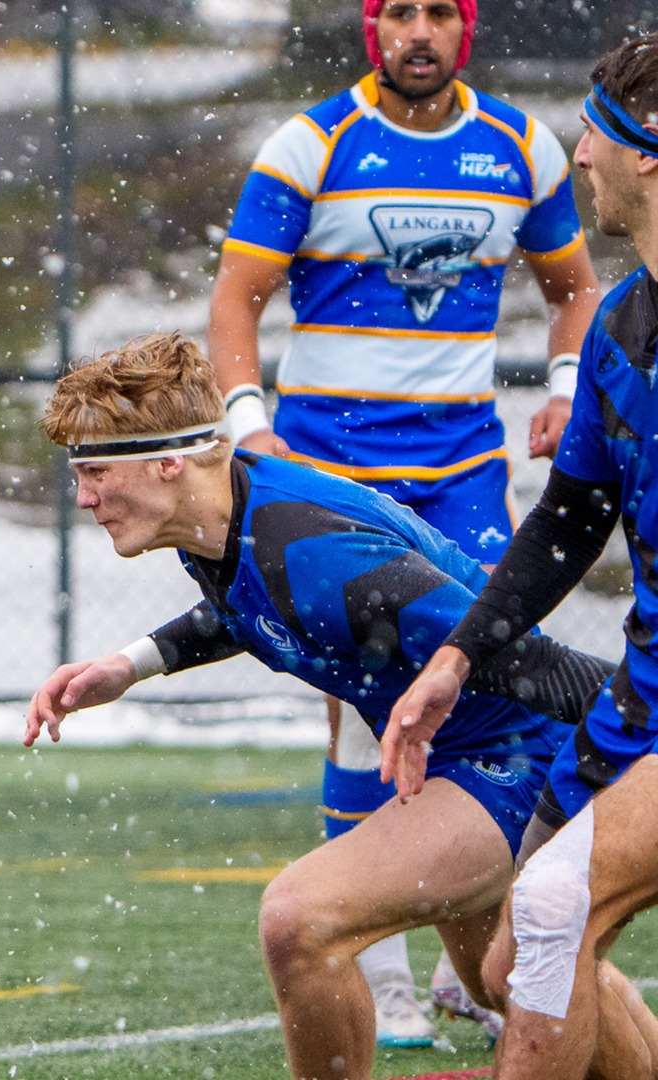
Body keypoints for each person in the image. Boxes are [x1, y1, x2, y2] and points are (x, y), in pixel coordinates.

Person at [27, 332, 611, 1080]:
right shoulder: (219, 513)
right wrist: (131, 665)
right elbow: (249, 606)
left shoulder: (318, 553)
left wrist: (643, 720)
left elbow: (531, 663)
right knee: (516, 982)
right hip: (455, 761)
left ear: (168, 461)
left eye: (96, 472)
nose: (84, 497)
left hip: (516, 759)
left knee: (300, 920)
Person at [206, 0, 600, 1040]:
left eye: (438, 13)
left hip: (461, 474)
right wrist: (249, 427)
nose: (418, 33)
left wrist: (566, 385)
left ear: (465, 29)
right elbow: (237, 298)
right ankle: (378, 966)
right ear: (371, 27)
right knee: (361, 702)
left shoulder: (520, 145)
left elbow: (574, 289)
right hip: (329, 470)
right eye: (398, 13)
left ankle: (476, 952)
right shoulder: (312, 145)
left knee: (494, 687)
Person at [385, 34, 658, 1079]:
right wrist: (456, 660)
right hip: (639, 701)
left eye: (594, 133)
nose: (577, 155)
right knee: (512, 961)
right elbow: (566, 522)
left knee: (554, 905)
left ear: (646, 150)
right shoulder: (619, 327)